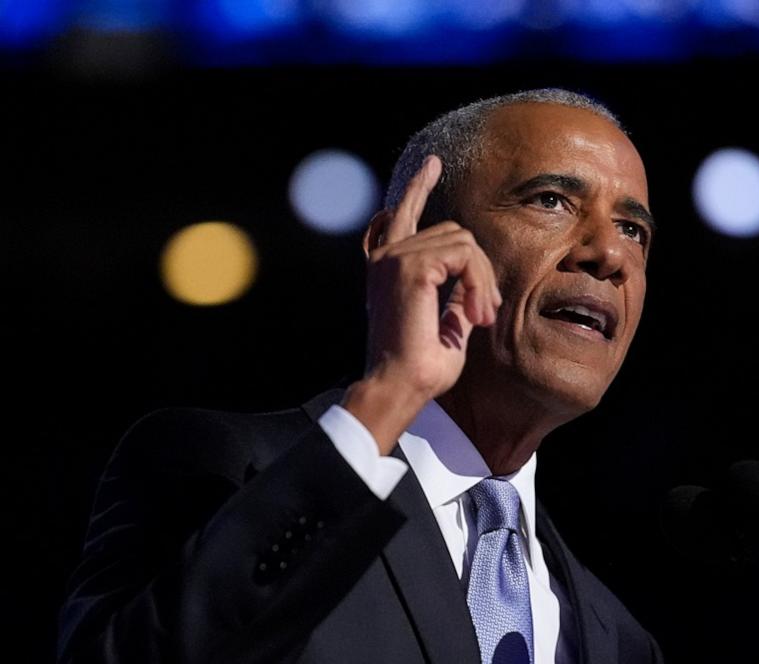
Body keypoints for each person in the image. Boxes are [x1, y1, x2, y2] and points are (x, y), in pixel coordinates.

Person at [58, 88, 662, 663]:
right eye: (551, 200)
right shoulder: (218, 469)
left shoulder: (619, 639)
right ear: (397, 240)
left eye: (633, 229)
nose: (610, 254)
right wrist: (390, 395)